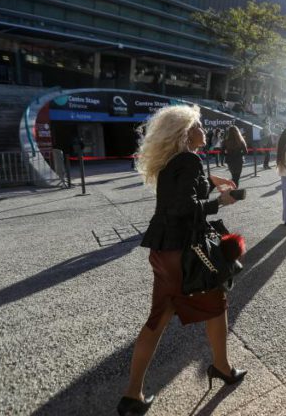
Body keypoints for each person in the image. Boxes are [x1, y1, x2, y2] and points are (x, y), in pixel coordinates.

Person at [119, 105, 242, 416]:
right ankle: (222, 368)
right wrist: (220, 202)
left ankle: (132, 395)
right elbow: (182, 208)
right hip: (186, 253)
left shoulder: (172, 161)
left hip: (164, 251)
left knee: (158, 318)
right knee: (216, 304)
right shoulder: (189, 159)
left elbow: (181, 191)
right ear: (186, 133)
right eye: (198, 125)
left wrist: (212, 180)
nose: (204, 130)